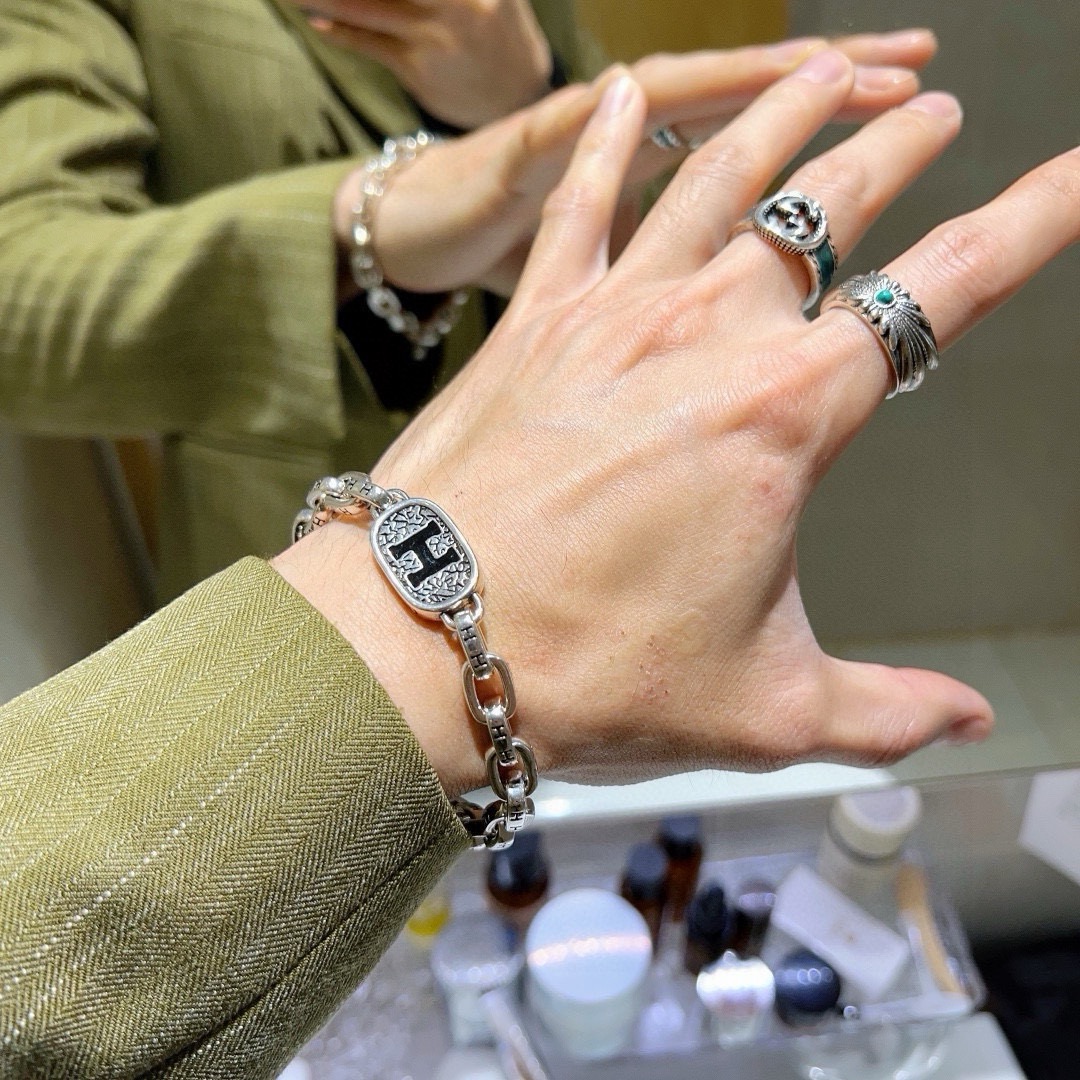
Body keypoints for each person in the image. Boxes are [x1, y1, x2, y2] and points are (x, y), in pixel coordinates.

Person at [5, 49, 1077, 1079]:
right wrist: (377, 215)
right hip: (308, 552)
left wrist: (517, 86)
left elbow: (629, 217)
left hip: (498, 476)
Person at [0, 0, 937, 600]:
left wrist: (519, 89)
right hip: (296, 571)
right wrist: (372, 217)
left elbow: (611, 251)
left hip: (584, 537)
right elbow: (22, 298)